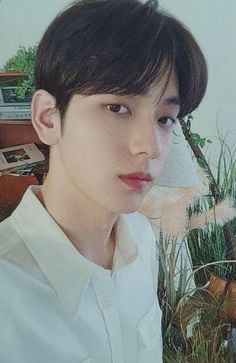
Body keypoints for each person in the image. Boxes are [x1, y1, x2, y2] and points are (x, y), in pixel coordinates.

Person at [0, 0, 207, 362]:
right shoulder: (9, 292)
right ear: (49, 118)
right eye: (117, 108)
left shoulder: (142, 240)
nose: (150, 147)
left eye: (165, 118)